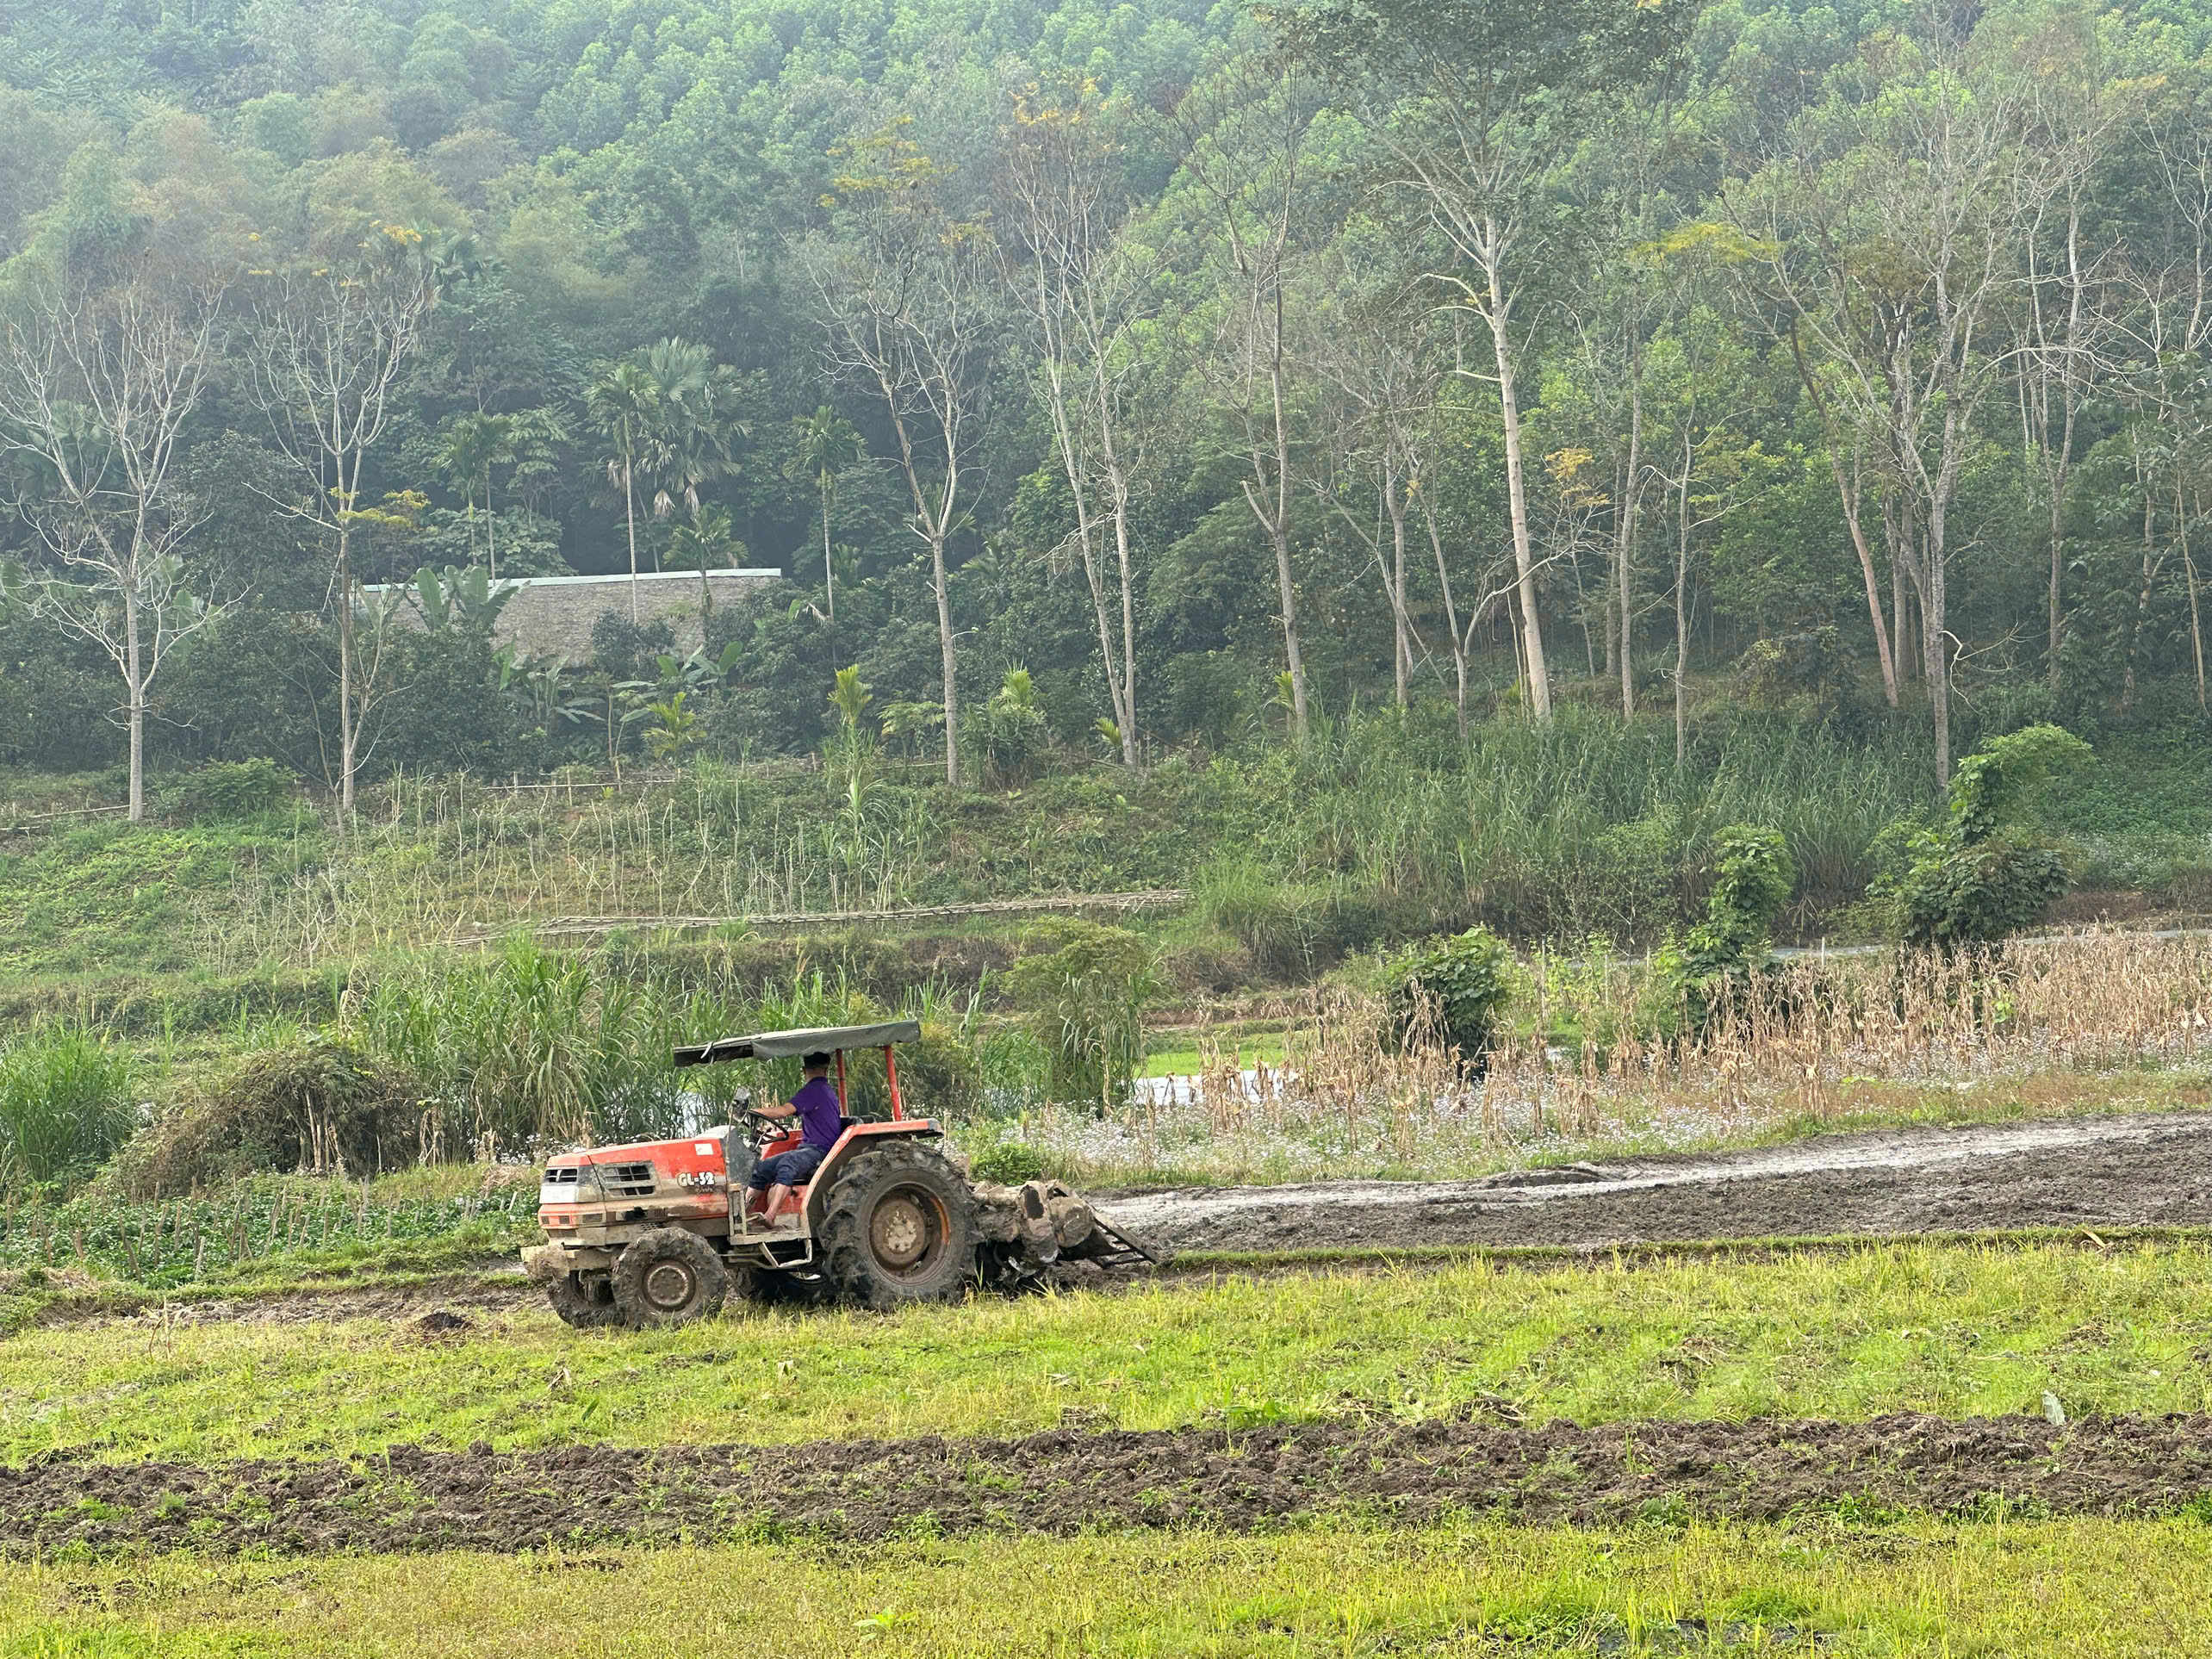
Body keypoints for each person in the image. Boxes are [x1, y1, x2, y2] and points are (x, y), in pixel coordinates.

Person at [747, 1052, 844, 1229]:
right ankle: (744, 1215)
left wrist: (752, 1111)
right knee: (763, 1166)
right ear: (826, 1068)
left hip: (820, 1150)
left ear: (803, 1070)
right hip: (808, 1148)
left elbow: (783, 1111)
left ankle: (770, 1215)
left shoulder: (814, 1090)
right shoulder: (825, 1091)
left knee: (788, 1162)